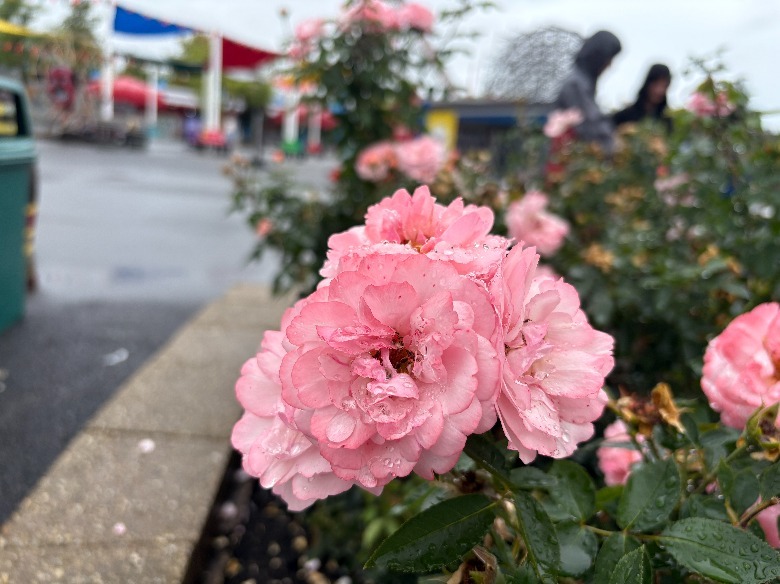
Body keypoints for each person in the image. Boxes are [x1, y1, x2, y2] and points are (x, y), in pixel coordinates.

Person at [554, 30, 622, 153]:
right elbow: (591, 126)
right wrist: (613, 145)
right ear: (598, 57)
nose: (609, 65)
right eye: (609, 59)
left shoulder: (582, 83)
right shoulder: (576, 85)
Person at [613, 64, 672, 131]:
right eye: (656, 84)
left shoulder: (666, 123)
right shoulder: (624, 117)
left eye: (664, 86)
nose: (659, 91)